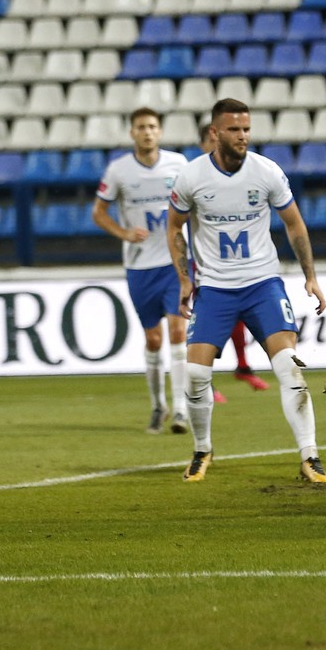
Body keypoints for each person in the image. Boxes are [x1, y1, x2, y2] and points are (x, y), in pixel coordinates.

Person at [166, 99, 326, 484]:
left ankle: (311, 457)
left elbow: (295, 225)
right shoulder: (191, 177)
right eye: (234, 130)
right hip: (215, 288)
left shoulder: (266, 172)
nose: (243, 136)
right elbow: (174, 227)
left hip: (261, 283)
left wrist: (310, 275)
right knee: (194, 373)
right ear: (215, 133)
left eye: (246, 129)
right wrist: (185, 279)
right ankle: (202, 449)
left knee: (290, 366)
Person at [93, 108, 192, 435]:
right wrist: (123, 233)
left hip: (173, 263)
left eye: (152, 126)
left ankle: (180, 409)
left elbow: (199, 202)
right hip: (139, 267)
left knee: (178, 333)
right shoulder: (119, 170)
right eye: (141, 127)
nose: (147, 132)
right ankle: (157, 405)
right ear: (132, 133)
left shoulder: (179, 164)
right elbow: (99, 212)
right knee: (153, 339)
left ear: (160, 132)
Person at [197, 126, 272, 398]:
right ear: (204, 143)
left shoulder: (238, 177)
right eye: (211, 140)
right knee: (202, 321)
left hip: (233, 261)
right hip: (200, 262)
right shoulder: (193, 178)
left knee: (237, 315)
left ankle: (242, 366)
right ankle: (204, 382)